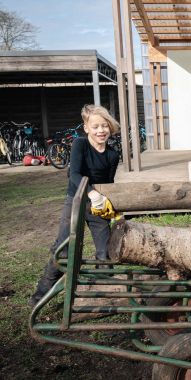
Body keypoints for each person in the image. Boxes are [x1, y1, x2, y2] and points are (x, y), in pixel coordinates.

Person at [29, 104, 120, 307]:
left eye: (104, 126)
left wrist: (110, 207)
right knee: (63, 248)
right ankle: (41, 295)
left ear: (109, 127)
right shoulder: (80, 144)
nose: (100, 131)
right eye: (95, 126)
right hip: (76, 200)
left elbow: (109, 184)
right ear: (86, 127)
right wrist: (91, 192)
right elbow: (74, 174)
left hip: (97, 206)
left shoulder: (113, 155)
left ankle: (103, 293)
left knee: (106, 250)